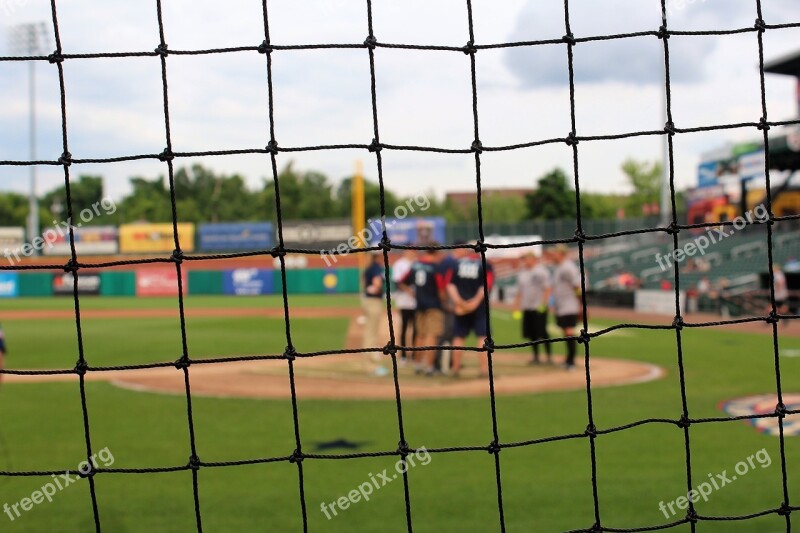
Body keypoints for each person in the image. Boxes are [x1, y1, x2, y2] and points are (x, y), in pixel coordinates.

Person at [447, 244, 494, 378]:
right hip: (479, 307)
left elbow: (450, 284)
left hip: (460, 307)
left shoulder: (456, 264)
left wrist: (460, 303)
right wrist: (474, 303)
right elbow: (486, 285)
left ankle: (455, 369)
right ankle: (484, 370)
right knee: (482, 337)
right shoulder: (485, 264)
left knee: (458, 337)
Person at [400, 247, 447, 375]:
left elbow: (402, 282)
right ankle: (430, 367)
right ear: (435, 253)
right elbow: (441, 289)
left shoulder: (415, 265)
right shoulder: (436, 267)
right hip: (434, 306)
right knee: (432, 335)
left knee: (420, 335)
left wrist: (413, 293)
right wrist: (445, 303)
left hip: (419, 305)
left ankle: (417, 364)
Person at [516, 252, 552, 364]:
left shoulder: (541, 271)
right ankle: (536, 357)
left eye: (526, 258)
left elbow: (547, 288)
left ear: (533, 259)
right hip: (527, 307)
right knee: (531, 333)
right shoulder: (522, 273)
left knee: (542, 332)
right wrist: (516, 305)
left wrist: (544, 303)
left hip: (538, 307)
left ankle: (549, 357)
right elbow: (520, 291)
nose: (525, 261)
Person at [551, 244, 582, 371]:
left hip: (569, 304)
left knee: (569, 332)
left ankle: (571, 361)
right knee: (565, 332)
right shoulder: (559, 268)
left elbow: (577, 286)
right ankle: (568, 359)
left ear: (561, 254)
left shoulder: (568, 267)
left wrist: (581, 304)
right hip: (562, 305)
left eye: (555, 253)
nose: (553, 255)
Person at [392, 249, 418, 363]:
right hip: (404, 301)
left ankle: (414, 355)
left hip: (416, 302)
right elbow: (398, 282)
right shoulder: (399, 264)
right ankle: (403, 354)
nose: (412, 253)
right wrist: (410, 291)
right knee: (404, 328)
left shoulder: (417, 263)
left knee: (416, 329)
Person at [362, 252, 386, 374]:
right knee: (371, 333)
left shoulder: (369, 267)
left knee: (370, 332)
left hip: (369, 300)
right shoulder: (375, 266)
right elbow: (377, 283)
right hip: (373, 302)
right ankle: (370, 366)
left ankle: (369, 363)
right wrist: (380, 288)